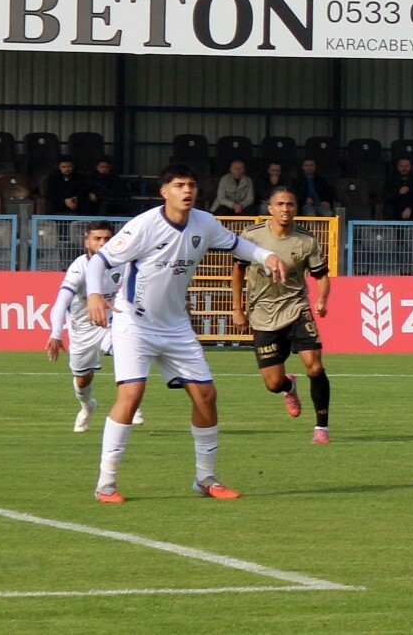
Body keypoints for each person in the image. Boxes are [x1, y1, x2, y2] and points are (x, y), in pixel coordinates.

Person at [84, 163, 288, 504]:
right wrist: (93, 294)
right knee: (131, 395)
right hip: (135, 322)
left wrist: (267, 256)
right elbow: (99, 261)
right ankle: (106, 483)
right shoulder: (144, 226)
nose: (187, 190)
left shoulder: (204, 223)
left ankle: (206, 478)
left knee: (206, 396)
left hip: (176, 325)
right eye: (179, 185)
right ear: (164, 191)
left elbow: (238, 245)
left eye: (191, 184)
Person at [231, 187, 333, 444]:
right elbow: (238, 272)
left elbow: (321, 276)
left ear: (295, 208)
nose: (285, 209)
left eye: (290, 204)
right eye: (280, 204)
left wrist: (321, 299)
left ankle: (322, 427)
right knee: (273, 383)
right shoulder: (251, 237)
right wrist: (238, 309)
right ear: (270, 208)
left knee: (315, 365)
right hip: (263, 313)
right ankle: (288, 387)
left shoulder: (306, 240)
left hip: (296, 307)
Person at [45, 221, 143, 431]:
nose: (102, 243)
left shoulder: (124, 263)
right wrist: (55, 334)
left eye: (107, 239)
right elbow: (61, 302)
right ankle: (87, 407)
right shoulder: (79, 267)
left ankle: (131, 405)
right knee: (82, 379)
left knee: (125, 352)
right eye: (97, 239)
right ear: (86, 242)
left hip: (112, 323)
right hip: (83, 330)